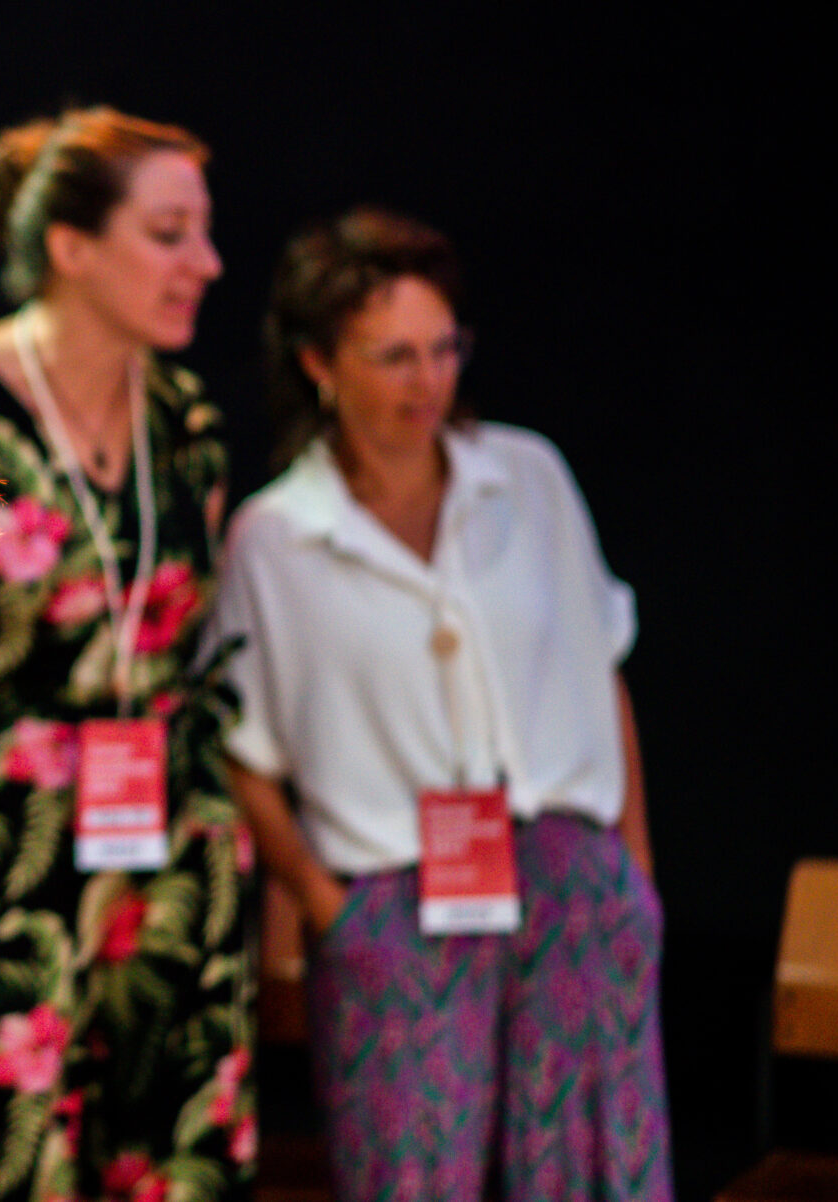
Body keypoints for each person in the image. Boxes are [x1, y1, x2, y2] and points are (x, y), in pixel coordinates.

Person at [209, 207, 670, 1201]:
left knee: (599, 1175)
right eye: (393, 355)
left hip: (568, 875)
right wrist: (329, 905)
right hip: (396, 893)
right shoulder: (278, 535)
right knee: (410, 1177)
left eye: (443, 347)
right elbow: (238, 743)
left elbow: (605, 666)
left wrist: (632, 869)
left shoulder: (528, 475)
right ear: (320, 364)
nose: (428, 379)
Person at [0, 108, 256, 1202]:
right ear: (74, 247)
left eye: (204, 233)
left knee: (173, 1164)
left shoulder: (187, 422)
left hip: (171, 855)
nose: (207, 263)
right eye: (171, 233)